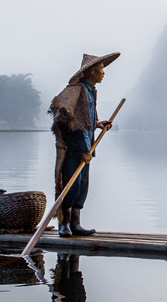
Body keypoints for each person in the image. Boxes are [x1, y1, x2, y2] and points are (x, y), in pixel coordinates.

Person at [49, 52, 119, 237]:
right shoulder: (77, 90)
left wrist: (97, 124)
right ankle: (64, 225)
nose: (103, 74)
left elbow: (85, 119)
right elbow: (75, 122)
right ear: (91, 72)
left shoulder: (90, 91)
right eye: (100, 70)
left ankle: (76, 224)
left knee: (82, 185)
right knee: (70, 184)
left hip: (87, 147)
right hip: (76, 147)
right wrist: (84, 149)